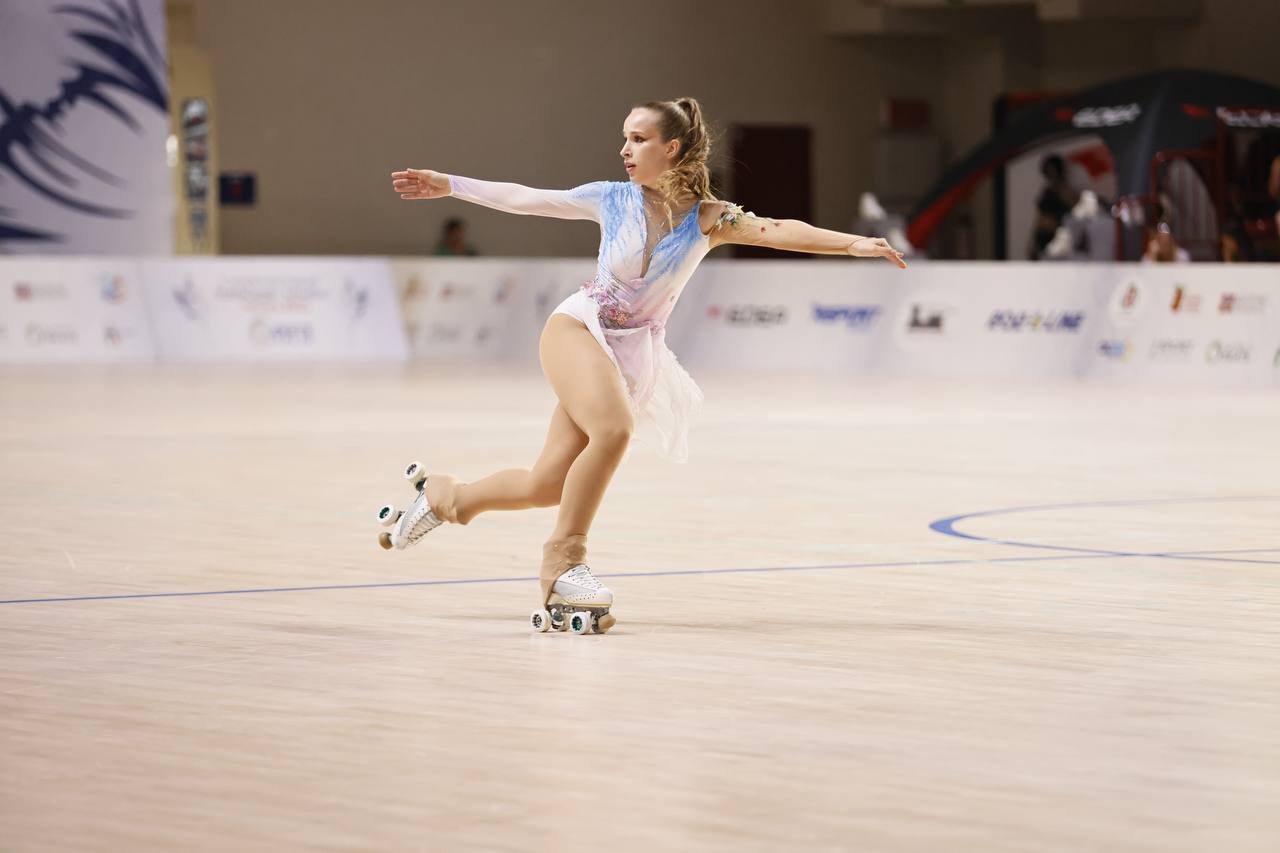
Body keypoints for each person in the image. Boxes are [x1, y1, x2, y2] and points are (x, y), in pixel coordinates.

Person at [384, 97, 906, 634]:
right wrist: (451, 184)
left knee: (547, 484)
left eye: (638, 139)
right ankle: (564, 564)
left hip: (628, 354)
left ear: (671, 147)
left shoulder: (710, 219)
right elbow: (528, 198)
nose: (624, 149)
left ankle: (445, 498)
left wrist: (854, 244)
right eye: (625, 138)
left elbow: (777, 229)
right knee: (613, 431)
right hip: (578, 329)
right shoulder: (611, 198)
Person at [1030, 154, 1079, 260]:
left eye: (1052, 170)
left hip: (1058, 240)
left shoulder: (1067, 192)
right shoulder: (1046, 191)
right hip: (1042, 239)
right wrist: (1032, 243)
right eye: (1048, 171)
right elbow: (1040, 217)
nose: (1051, 174)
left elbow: (1076, 216)